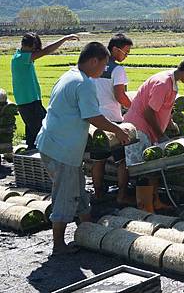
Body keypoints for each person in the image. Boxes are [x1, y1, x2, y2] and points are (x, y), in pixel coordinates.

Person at [36, 42, 131, 255]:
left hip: (50, 142)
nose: (104, 70)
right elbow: (93, 116)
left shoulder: (68, 75)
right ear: (93, 61)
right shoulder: (84, 83)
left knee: (78, 188)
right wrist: (117, 130)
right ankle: (59, 245)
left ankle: (88, 232)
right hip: (63, 149)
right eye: (104, 65)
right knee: (65, 195)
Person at [124, 55, 184, 212]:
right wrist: (160, 135)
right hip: (139, 129)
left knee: (153, 167)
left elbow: (162, 108)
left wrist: (170, 124)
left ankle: (155, 202)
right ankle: (145, 207)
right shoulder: (163, 83)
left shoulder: (171, 81)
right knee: (142, 170)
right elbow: (148, 112)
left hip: (148, 129)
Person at [11, 32, 80, 149]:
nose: (36, 51)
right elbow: (45, 51)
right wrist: (64, 39)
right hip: (29, 103)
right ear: (28, 45)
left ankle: (32, 159)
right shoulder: (20, 58)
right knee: (46, 132)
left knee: (33, 137)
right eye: (35, 48)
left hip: (30, 102)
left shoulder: (22, 56)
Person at [91, 33, 135, 204]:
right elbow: (120, 95)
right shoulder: (117, 69)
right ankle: (122, 195)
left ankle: (98, 194)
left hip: (95, 120)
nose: (126, 55)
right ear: (115, 49)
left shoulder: (94, 66)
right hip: (114, 121)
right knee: (122, 160)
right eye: (126, 52)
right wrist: (133, 107)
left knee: (98, 160)